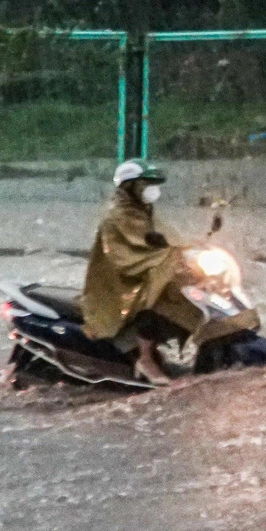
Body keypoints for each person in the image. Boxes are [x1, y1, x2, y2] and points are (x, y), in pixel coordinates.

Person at [82, 161, 196, 387]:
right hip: (122, 284)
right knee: (160, 298)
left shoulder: (142, 213)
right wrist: (169, 258)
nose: (152, 190)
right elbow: (129, 255)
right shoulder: (118, 217)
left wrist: (192, 249)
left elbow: (166, 238)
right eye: (146, 184)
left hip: (139, 273)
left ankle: (152, 350)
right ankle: (145, 358)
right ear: (130, 186)